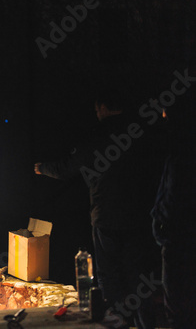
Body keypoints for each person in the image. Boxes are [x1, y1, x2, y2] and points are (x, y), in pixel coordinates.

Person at [34, 91, 164, 328]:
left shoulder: (97, 135)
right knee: (138, 275)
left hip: (106, 217)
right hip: (138, 217)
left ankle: (118, 320)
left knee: (109, 275)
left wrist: (43, 168)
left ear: (103, 108)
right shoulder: (142, 132)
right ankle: (145, 323)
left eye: (96, 110)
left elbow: (67, 168)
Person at [151, 89, 196, 328]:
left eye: (166, 114)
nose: (163, 117)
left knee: (178, 307)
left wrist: (161, 227)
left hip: (179, 240)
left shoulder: (180, 154)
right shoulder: (180, 151)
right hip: (181, 236)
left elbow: (173, 196)